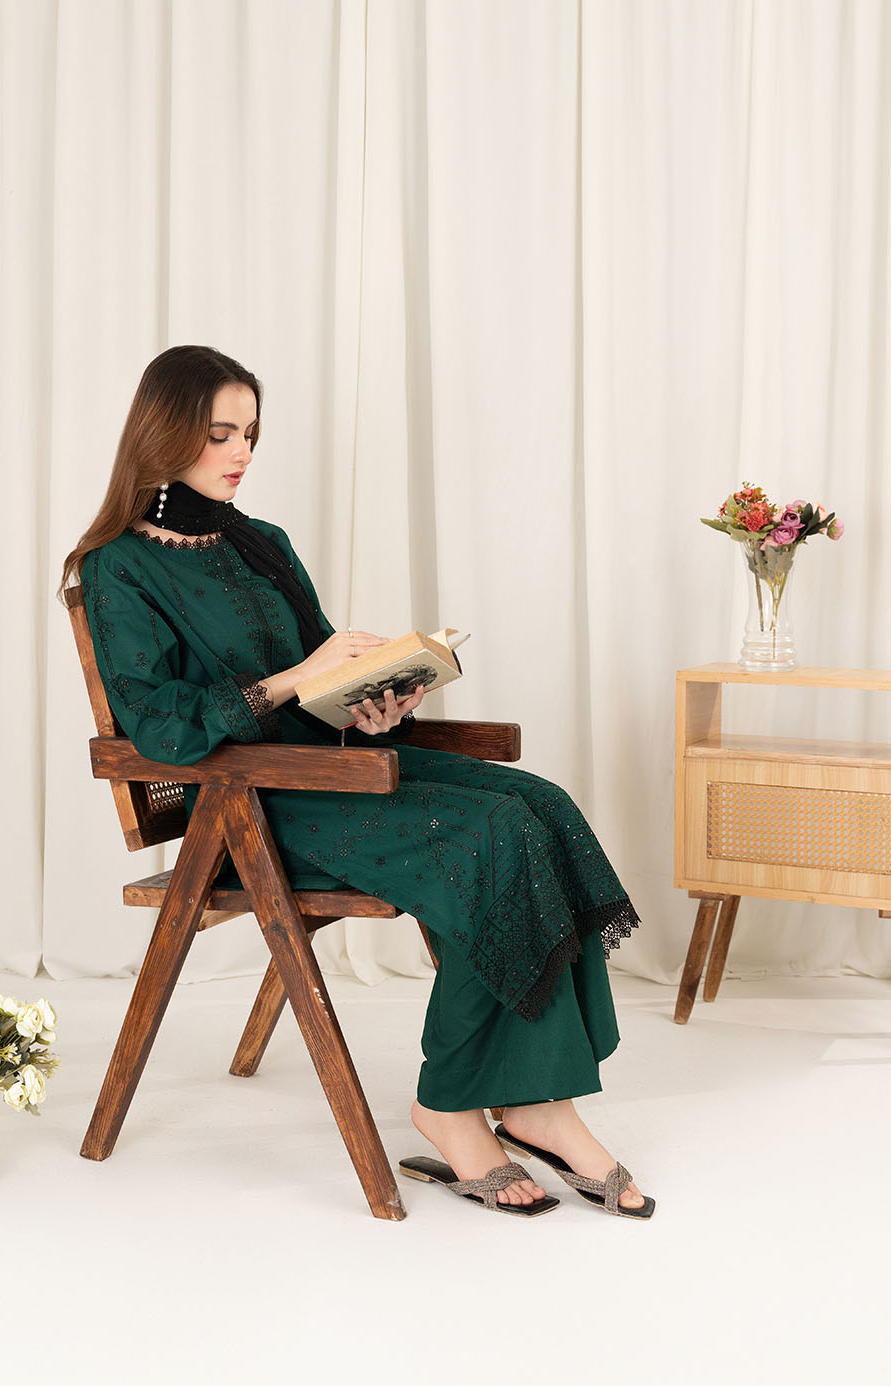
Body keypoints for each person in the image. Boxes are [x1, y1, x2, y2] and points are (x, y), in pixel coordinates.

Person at [61, 345, 654, 1219]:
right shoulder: (119, 565)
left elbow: (320, 684)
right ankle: (452, 1108)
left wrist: (371, 704)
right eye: (221, 432)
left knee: (542, 806)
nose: (242, 451)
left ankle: (538, 1105)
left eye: (250, 432)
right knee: (489, 838)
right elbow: (159, 727)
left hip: (331, 765)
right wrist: (293, 681)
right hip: (252, 809)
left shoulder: (261, 543)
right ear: (165, 431)